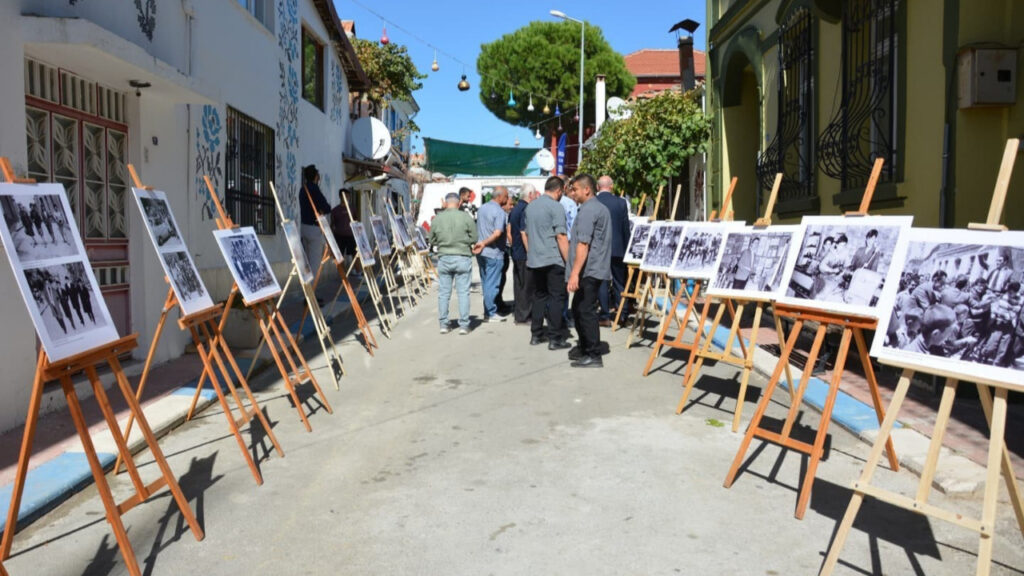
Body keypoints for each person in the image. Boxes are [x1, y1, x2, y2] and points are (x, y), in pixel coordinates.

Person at [565, 173, 612, 368]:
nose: (572, 193)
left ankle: (593, 354)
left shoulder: (589, 210)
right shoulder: (595, 208)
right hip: (593, 268)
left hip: (589, 270)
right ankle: (585, 346)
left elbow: (583, 245)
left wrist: (575, 274)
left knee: (585, 311)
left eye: (575, 189)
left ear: (587, 189)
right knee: (579, 308)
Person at [525, 176, 571, 349]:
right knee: (556, 298)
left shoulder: (531, 207)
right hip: (553, 259)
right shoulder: (556, 207)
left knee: (539, 296)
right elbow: (561, 236)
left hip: (536, 259)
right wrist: (569, 261)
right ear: (559, 190)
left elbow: (527, 233)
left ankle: (536, 335)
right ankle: (555, 338)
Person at [428, 192, 480, 334]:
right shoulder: (466, 217)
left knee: (444, 293)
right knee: (463, 292)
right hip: (462, 256)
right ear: (458, 203)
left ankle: (444, 324)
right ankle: (464, 325)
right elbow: (474, 237)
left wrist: (441, 242)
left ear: (445, 203)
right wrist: (466, 242)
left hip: (444, 257)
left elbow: (431, 239)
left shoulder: (437, 219)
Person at [595, 175, 630, 326]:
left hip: (600, 249)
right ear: (612, 186)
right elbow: (625, 228)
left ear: (598, 187)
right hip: (618, 247)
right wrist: (627, 247)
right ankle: (622, 314)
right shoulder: (621, 203)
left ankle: (604, 315)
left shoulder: (594, 203)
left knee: (602, 281)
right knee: (619, 282)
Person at [475, 186, 509, 321]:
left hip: (481, 252)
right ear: (499, 196)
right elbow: (497, 233)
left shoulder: (482, 208)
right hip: (493, 252)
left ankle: (487, 311)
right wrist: (485, 242)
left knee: (486, 283)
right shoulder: (499, 212)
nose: (507, 199)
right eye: (506, 196)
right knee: (492, 284)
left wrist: (481, 243)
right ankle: (490, 313)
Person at [508, 184, 539, 324]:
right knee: (527, 286)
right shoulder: (526, 209)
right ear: (530, 194)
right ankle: (524, 316)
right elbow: (523, 232)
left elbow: (509, 230)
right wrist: (530, 252)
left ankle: (520, 313)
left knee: (519, 285)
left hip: (516, 251)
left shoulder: (515, 209)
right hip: (524, 253)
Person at [300, 164, 331, 265]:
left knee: (307, 261)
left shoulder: (302, 189)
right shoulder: (315, 189)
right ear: (316, 176)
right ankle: (314, 281)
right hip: (314, 228)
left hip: (304, 226)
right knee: (314, 262)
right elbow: (326, 207)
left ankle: (307, 281)